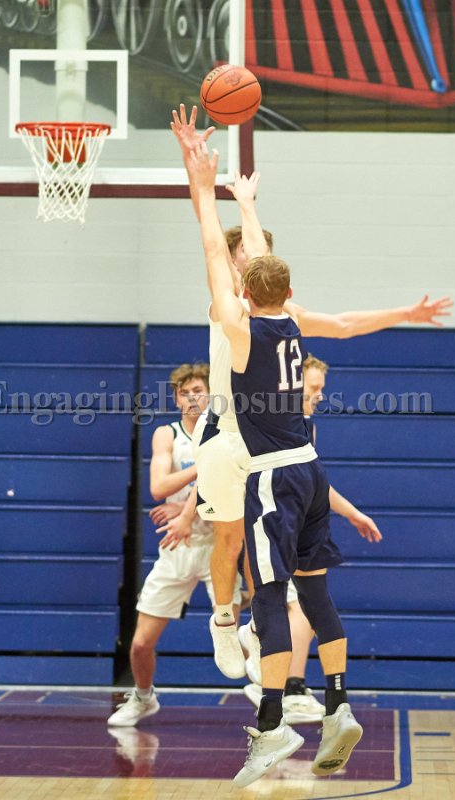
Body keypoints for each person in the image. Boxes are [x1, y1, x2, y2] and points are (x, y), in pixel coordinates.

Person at [170, 104, 453, 684]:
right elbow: (215, 248)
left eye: (253, 256)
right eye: (244, 254)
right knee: (229, 536)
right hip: (226, 430)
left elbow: (343, 323)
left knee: (265, 545)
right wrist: (230, 199)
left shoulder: (280, 313)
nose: (248, 257)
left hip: (270, 442)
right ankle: (222, 619)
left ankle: (258, 626)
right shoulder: (228, 310)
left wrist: (404, 311)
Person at [186, 140, 366, 785]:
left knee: (270, 589)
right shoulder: (282, 320)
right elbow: (251, 260)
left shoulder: (244, 322)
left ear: (248, 286)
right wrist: (247, 204)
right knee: (302, 583)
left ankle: (275, 716)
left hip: (270, 463)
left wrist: (204, 187)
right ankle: (334, 701)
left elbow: (218, 251)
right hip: (298, 459)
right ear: (286, 291)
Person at [241, 354, 383, 722]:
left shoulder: (306, 426)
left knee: (303, 601)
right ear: (291, 383)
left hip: (297, 518)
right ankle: (274, 682)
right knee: (277, 601)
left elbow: (316, 483)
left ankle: (300, 698)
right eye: (314, 387)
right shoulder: (262, 416)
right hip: (256, 516)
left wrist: (352, 512)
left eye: (322, 388)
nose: (320, 395)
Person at [107, 362, 241, 728]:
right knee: (140, 643)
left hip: (217, 543)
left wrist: (183, 509)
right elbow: (158, 488)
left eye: (199, 390)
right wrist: (204, 466)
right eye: (185, 392)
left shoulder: (227, 431)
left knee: (235, 637)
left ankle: (274, 703)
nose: (192, 397)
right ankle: (143, 696)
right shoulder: (167, 434)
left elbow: (215, 486)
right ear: (176, 398)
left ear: (211, 394)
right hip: (178, 544)